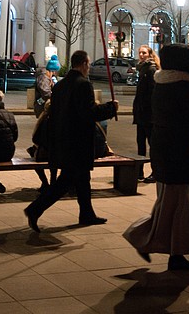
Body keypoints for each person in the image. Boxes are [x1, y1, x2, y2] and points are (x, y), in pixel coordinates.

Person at [123, 43, 189, 270]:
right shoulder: (181, 85)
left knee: (171, 203)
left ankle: (174, 254)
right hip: (179, 152)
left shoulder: (161, 83)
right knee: (178, 205)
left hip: (163, 149)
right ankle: (142, 237)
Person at [23, 50, 118, 233]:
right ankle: (34, 209)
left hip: (63, 141)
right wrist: (110, 108)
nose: (89, 67)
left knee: (83, 179)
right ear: (83, 64)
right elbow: (88, 113)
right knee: (65, 182)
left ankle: (87, 213)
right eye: (88, 64)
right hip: (78, 143)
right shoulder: (83, 84)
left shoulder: (60, 86)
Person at [30, 54, 61, 191]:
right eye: (54, 71)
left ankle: (49, 182)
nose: (55, 73)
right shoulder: (43, 77)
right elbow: (45, 93)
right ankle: (51, 182)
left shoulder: (48, 77)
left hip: (45, 148)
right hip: (43, 108)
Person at [132, 45, 160, 183]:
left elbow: (152, 93)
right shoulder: (143, 69)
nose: (141, 55)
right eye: (139, 52)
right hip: (141, 113)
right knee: (140, 143)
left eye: (144, 52)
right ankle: (139, 171)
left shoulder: (150, 69)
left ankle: (155, 172)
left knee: (152, 144)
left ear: (149, 54)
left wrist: (148, 109)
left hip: (147, 115)